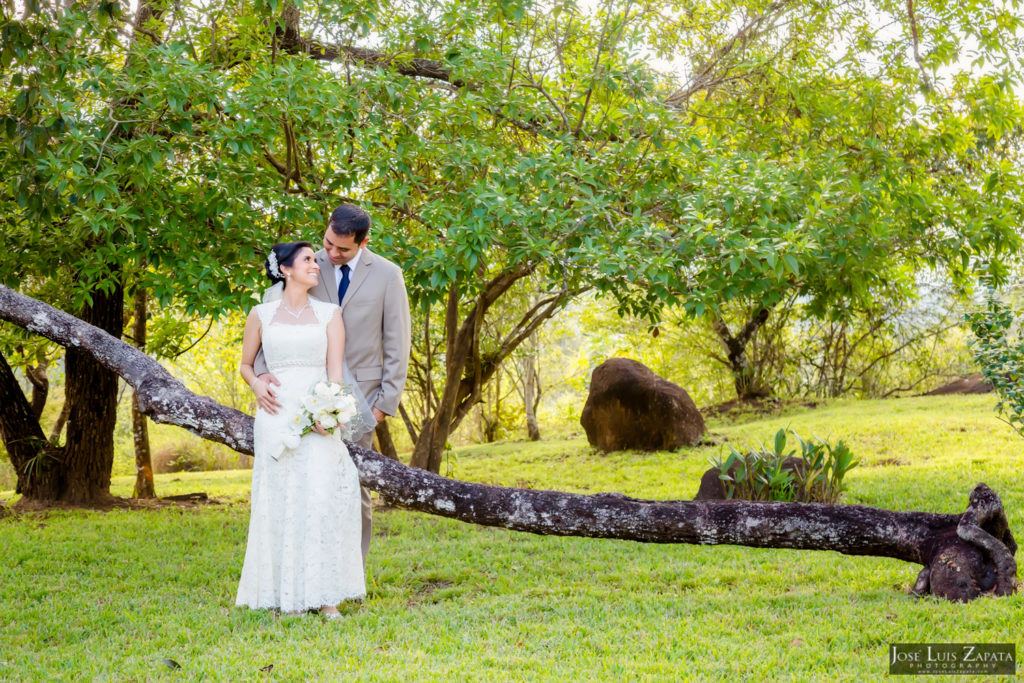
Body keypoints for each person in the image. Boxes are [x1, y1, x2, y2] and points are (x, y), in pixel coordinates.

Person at [253, 204, 411, 563]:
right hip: (301, 393)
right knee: (305, 482)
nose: (332, 254)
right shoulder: (304, 265)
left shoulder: (388, 275)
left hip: (360, 398)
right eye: (328, 244)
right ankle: (307, 568)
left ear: (364, 242)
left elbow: (397, 342)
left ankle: (351, 570)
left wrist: (383, 405)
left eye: (343, 249)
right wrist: (262, 374)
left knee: (351, 486)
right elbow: (270, 323)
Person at [236, 241, 373, 617]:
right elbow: (246, 364)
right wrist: (257, 384)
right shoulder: (260, 314)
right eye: (308, 260)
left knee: (319, 500)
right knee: (279, 501)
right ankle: (286, 597)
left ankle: (326, 598)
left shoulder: (330, 314)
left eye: (316, 259)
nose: (317, 264)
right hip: (276, 416)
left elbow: (334, 373)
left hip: (317, 418)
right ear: (285, 269)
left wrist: (329, 411)